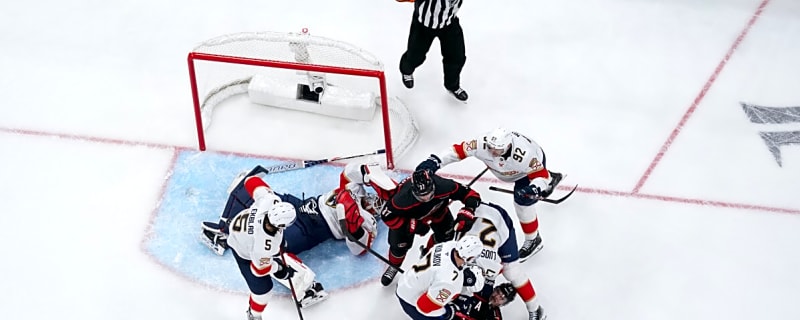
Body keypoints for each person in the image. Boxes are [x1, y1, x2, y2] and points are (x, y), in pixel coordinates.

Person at [201, 162, 398, 308]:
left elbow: (358, 249)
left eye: (379, 208)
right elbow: (349, 171)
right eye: (378, 199)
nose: (375, 204)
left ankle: (304, 286)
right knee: (248, 188)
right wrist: (368, 173)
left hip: (311, 229)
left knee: (272, 248)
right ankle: (224, 231)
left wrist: (353, 226)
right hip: (299, 205)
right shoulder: (356, 189)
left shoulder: (369, 223)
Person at [416, 127, 564, 262]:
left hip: (524, 174)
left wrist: (533, 189)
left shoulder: (525, 155)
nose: (492, 152)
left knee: (522, 203)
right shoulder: (482, 143)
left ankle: (533, 239)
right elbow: (456, 151)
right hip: (506, 171)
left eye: (497, 150)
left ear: (508, 147)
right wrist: (434, 162)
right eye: (491, 148)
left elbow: (541, 176)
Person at [210, 173, 299, 320]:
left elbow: (250, 180)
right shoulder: (265, 245)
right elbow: (258, 270)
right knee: (263, 292)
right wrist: (279, 269)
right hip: (241, 248)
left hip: (240, 223)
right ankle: (254, 315)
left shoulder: (269, 200)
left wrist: (266, 191)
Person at [379, 169, 482, 286]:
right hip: (409, 219)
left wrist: (468, 210)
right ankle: (394, 266)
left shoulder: (444, 185)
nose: (427, 198)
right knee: (399, 246)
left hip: (438, 213)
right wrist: (413, 226)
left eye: (429, 193)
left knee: (445, 237)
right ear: (413, 191)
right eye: (422, 196)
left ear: (433, 185)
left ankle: (427, 256)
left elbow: (470, 194)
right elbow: (387, 217)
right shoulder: (401, 199)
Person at [452, 202, 547, 320]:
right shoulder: (455, 273)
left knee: (512, 271)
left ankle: (536, 309)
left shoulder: (454, 276)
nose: (498, 297)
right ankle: (535, 308)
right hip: (474, 211)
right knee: (511, 271)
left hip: (497, 220)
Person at [395, 235, 486, 320]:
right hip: (409, 301)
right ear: (470, 258)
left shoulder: (448, 245)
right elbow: (423, 307)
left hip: (405, 281)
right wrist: (449, 312)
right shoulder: (450, 282)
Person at [397, 0, 469, 101]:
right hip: (424, 24)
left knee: (457, 57)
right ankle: (406, 71)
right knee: (415, 55)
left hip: (449, 21)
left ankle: (452, 85)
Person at [449, 282, 518, 320]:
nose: (496, 297)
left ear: (504, 303)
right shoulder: (480, 288)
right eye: (497, 292)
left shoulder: (495, 317)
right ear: (494, 289)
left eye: (501, 298)